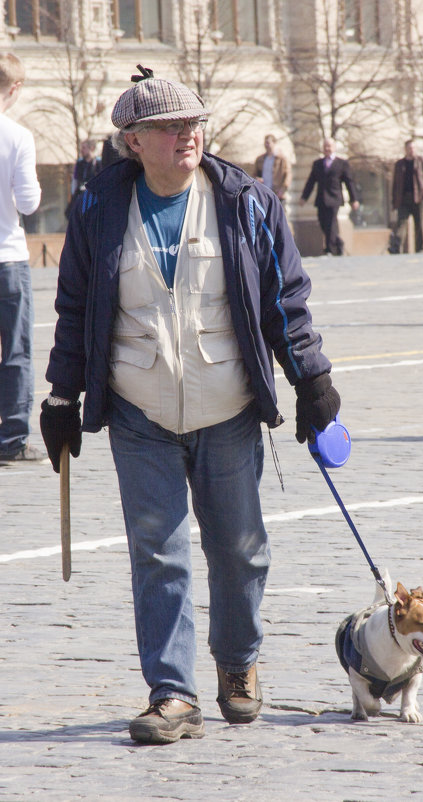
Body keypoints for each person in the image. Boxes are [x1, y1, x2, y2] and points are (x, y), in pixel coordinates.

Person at [39, 66, 341, 745]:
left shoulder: (245, 202)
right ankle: (172, 693)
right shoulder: (96, 208)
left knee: (239, 549)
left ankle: (237, 665)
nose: (187, 134)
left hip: (227, 404)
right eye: (170, 127)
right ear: (134, 140)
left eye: (193, 122)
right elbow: (76, 310)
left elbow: (284, 302)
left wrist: (312, 383)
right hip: (138, 408)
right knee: (158, 553)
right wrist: (62, 395)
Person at [0, 53, 44, 464]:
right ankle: (12, 439)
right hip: (7, 257)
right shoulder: (17, 136)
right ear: (14, 88)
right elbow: (29, 204)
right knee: (14, 350)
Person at [299, 138, 360, 255]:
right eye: (325, 146)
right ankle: (339, 243)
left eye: (329, 146)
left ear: (334, 148)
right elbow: (311, 182)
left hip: (334, 198)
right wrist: (304, 197)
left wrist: (354, 199)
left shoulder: (342, 163)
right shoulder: (317, 164)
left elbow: (349, 182)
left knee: (331, 223)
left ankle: (329, 249)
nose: (327, 148)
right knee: (323, 223)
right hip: (321, 199)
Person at [391, 139, 423, 253]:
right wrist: (394, 201)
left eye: (413, 148)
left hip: (418, 198)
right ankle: (397, 247)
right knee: (401, 224)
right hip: (403, 199)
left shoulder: (421, 162)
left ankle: (420, 248)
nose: (411, 151)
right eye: (409, 148)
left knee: (419, 225)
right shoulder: (399, 164)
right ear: (405, 150)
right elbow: (395, 184)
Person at [65, 138, 102, 218]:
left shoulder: (98, 163)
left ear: (91, 148)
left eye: (84, 148)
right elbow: (75, 180)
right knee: (72, 213)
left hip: (93, 194)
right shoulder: (79, 163)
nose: (82, 150)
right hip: (80, 193)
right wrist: (73, 194)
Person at [253, 134, 291, 202]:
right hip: (263, 193)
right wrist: (257, 180)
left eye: (268, 143)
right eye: (265, 143)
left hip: (277, 194)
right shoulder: (260, 159)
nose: (266, 145)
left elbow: (288, 175)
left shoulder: (281, 159)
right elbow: (254, 174)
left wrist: (282, 190)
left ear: (274, 143)